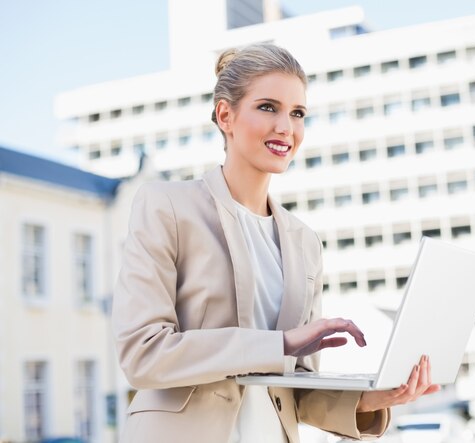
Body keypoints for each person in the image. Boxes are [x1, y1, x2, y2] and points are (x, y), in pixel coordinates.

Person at [112, 43, 441, 443]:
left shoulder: (304, 242)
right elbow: (142, 354)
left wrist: (369, 399)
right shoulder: (166, 205)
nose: (286, 127)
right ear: (225, 115)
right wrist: (280, 343)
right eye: (268, 107)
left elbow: (293, 388)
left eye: (297, 113)